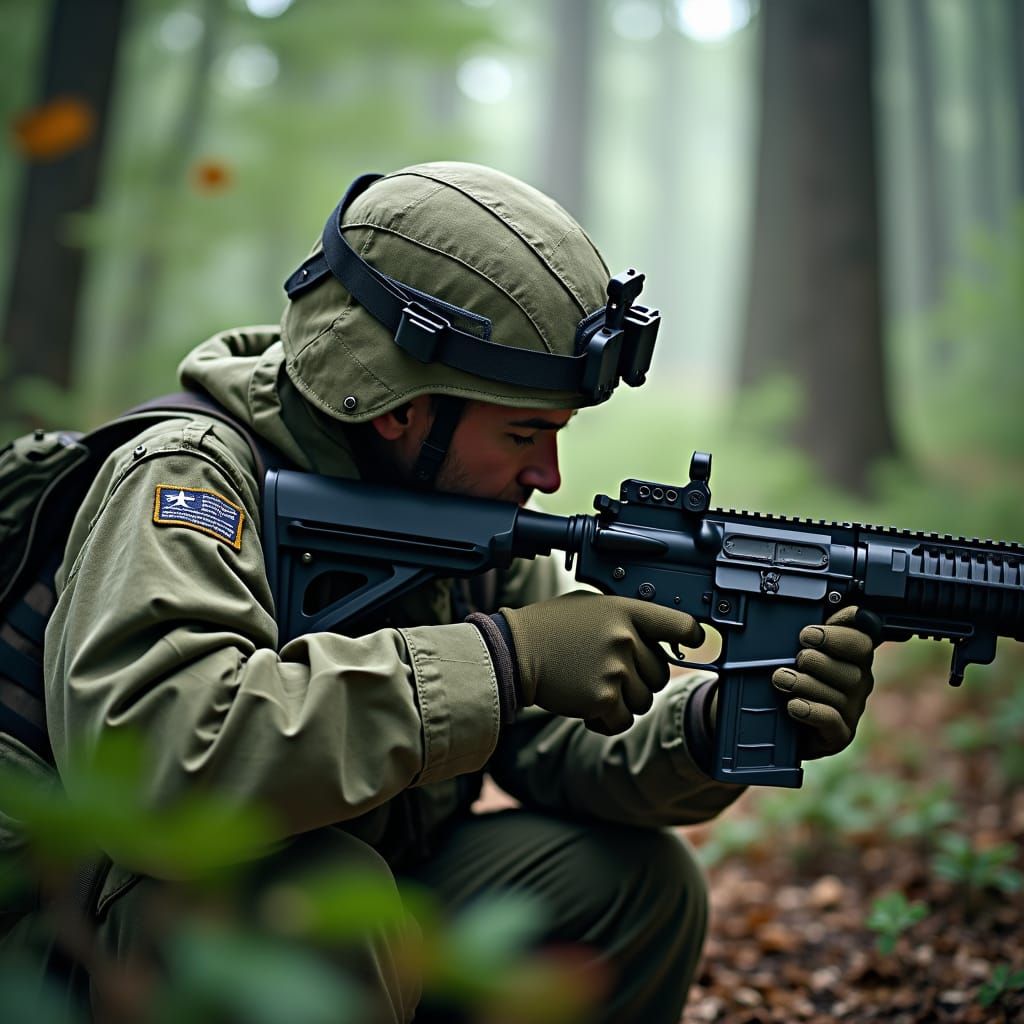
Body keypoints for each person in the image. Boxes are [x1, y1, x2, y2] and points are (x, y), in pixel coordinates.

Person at [5, 162, 880, 1022]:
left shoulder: (459, 509)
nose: (549, 472)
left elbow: (555, 747)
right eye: (525, 433)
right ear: (398, 407)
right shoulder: (188, 477)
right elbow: (165, 761)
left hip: (343, 904)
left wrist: (709, 729)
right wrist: (505, 660)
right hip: (70, 941)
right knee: (321, 901)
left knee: (635, 887)